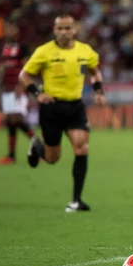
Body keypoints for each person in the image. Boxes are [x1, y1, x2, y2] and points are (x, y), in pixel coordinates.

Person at [19, 15, 106, 212]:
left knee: (81, 147)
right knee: (52, 159)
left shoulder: (85, 51)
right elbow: (23, 75)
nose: (64, 32)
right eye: (60, 28)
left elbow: (95, 72)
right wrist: (37, 94)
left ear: (74, 30)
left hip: (75, 106)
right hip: (52, 107)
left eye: (68, 28)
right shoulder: (44, 52)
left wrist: (99, 91)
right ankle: (37, 146)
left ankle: (76, 200)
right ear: (54, 30)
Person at [0, 28, 35, 164]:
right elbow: (3, 70)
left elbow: (27, 68)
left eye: (11, 29)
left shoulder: (22, 47)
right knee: (11, 123)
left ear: (17, 32)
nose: (8, 32)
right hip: (7, 90)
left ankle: (39, 148)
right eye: (7, 28)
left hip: (17, 89)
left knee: (17, 120)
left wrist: (21, 86)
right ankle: (11, 156)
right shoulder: (5, 48)